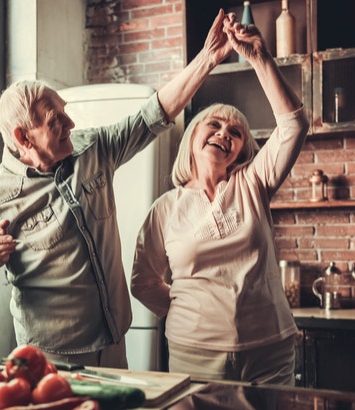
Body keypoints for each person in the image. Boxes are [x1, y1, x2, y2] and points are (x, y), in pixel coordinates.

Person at [0, 9, 235, 368]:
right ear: (23, 138)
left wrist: (207, 59)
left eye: (65, 112)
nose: (71, 123)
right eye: (56, 121)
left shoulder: (91, 148)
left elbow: (153, 113)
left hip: (115, 341)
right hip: (52, 358)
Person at [130, 16, 309, 384]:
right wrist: (190, 313)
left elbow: (293, 125)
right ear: (193, 137)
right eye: (214, 124)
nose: (224, 133)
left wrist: (259, 57)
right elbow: (143, 282)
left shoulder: (253, 182)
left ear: (242, 150)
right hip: (193, 354)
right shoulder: (165, 208)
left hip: (268, 351)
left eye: (236, 132)